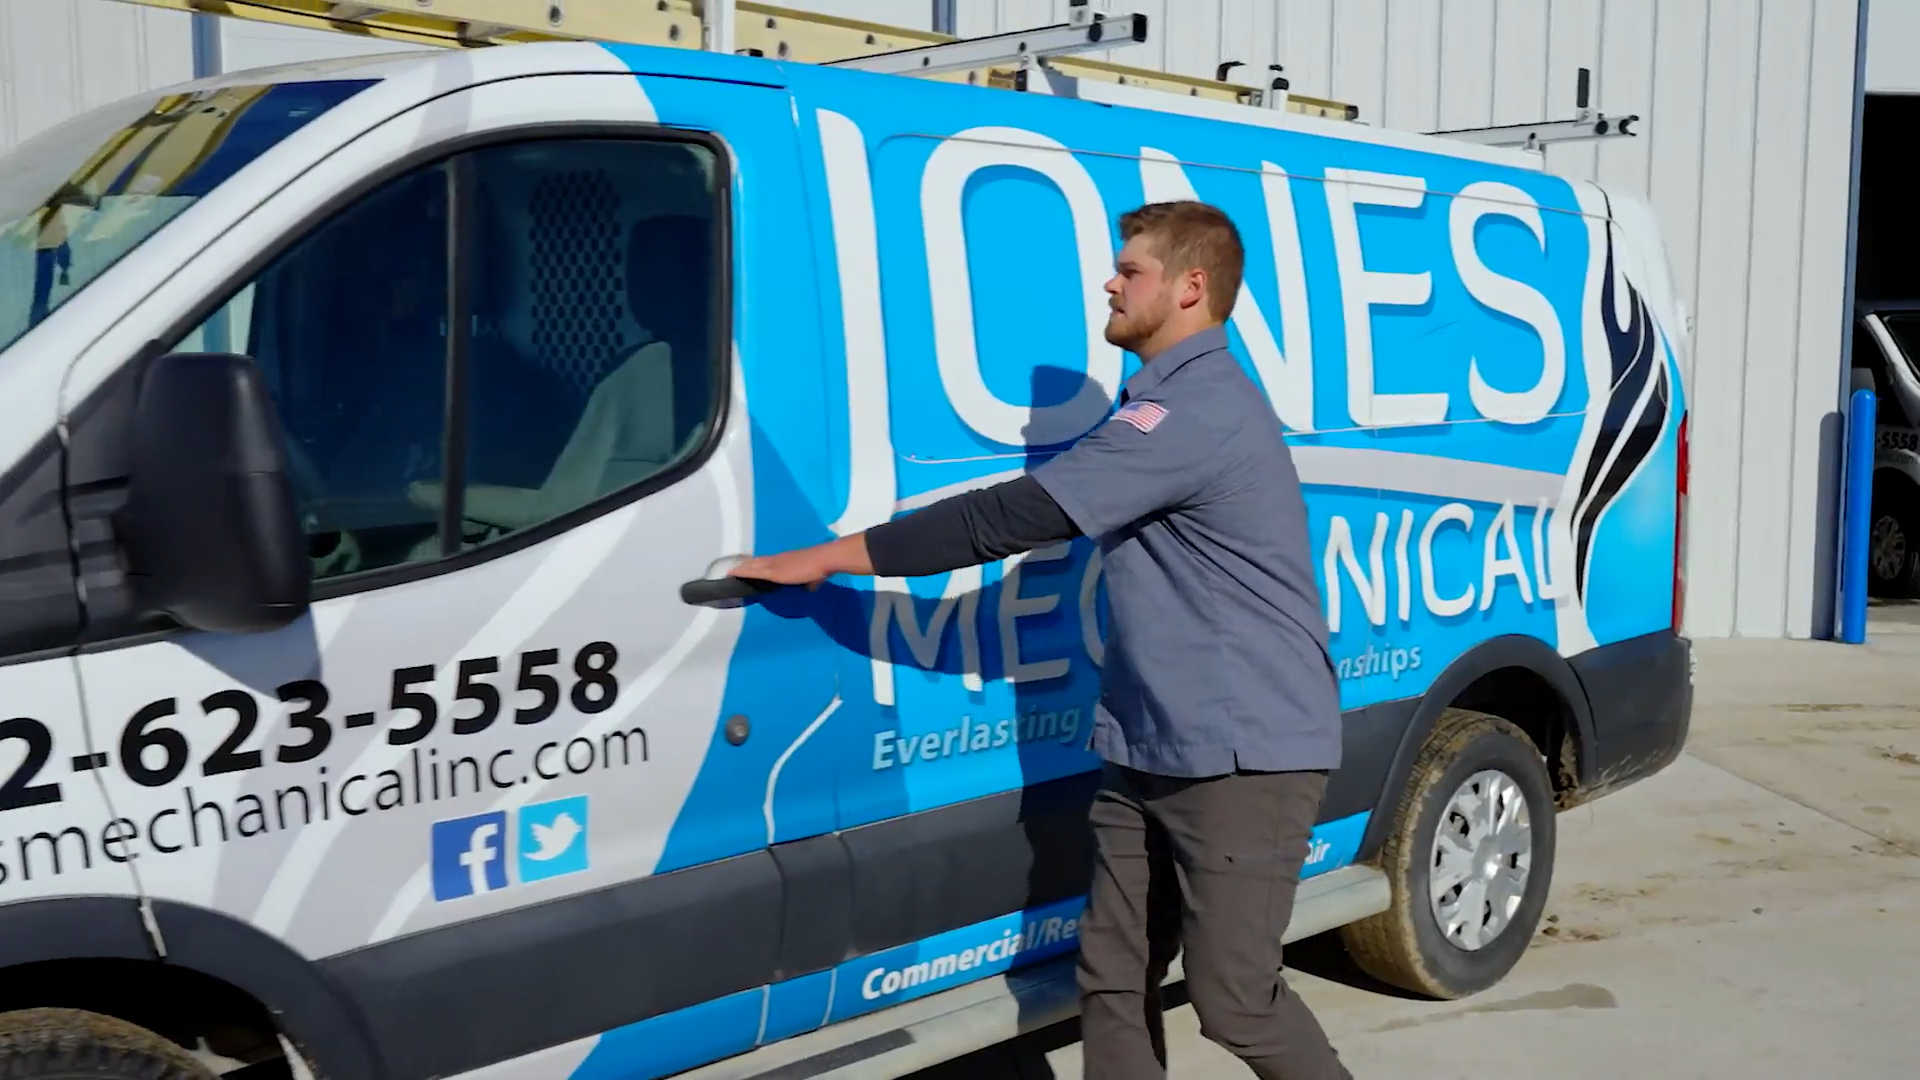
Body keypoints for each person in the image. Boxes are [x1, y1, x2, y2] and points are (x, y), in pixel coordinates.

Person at [727, 199, 1353, 1080]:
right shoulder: (1164, 404)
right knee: (1111, 971)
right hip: (1147, 743)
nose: (1110, 280)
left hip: (1241, 758)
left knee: (1234, 996)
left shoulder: (1192, 410)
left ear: (1191, 288)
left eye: (1131, 270)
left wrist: (826, 558)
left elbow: (1013, 516)